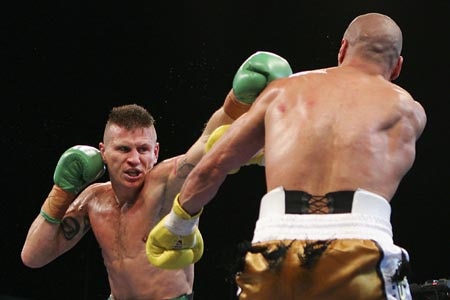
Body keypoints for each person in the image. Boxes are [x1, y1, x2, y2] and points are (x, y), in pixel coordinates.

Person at [146, 12, 427, 300]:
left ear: (342, 49)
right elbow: (359, 149)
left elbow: (214, 164)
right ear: (397, 68)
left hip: (274, 247)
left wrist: (179, 224)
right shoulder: (408, 110)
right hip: (362, 248)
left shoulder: (283, 91)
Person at [20, 52, 293, 300]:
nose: (134, 159)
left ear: (156, 152)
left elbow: (206, 142)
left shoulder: (164, 184)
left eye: (143, 149)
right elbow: (33, 257)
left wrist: (235, 103)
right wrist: (62, 191)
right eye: (123, 149)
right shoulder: (93, 200)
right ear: (103, 152)